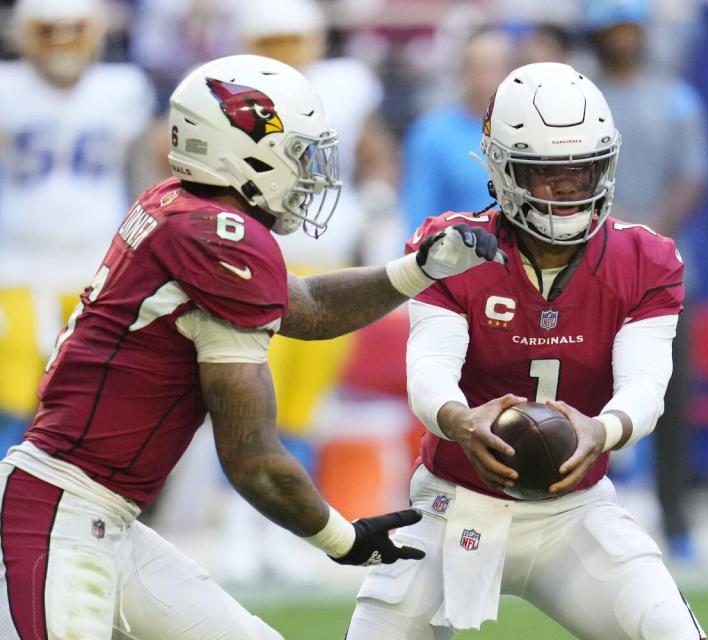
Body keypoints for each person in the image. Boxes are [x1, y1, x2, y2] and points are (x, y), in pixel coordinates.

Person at [0, 54, 505, 638]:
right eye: (298, 155)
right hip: (59, 517)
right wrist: (347, 539)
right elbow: (253, 459)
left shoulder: (181, 206)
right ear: (241, 149)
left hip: (99, 515)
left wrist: (416, 271)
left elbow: (307, 307)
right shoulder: (216, 238)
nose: (310, 174)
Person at [347, 62, 707, 640]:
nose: (570, 188)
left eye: (584, 168)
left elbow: (645, 387)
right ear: (504, 169)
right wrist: (461, 421)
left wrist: (603, 430)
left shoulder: (646, 259)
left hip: (576, 512)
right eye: (547, 173)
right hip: (450, 505)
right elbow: (428, 373)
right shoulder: (455, 249)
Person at [216, 0, 404, 583]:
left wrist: (377, 207)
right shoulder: (229, 94)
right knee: (245, 408)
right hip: (254, 265)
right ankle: (237, 530)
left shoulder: (344, 86)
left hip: (322, 266)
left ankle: (285, 533)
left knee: (300, 411)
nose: (287, 52)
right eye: (274, 39)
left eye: (295, 39)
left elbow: (375, 153)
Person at [586, 0, 708, 562]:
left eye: (628, 25)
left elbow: (692, 178)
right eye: (611, 27)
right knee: (583, 394)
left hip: (659, 270)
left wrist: (644, 236)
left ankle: (678, 522)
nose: (621, 37)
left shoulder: (675, 98)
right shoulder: (584, 99)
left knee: (669, 399)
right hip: (587, 265)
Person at [0, 0, 156, 457]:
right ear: (26, 33)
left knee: (93, 397)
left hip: (98, 264)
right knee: (12, 393)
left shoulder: (123, 88)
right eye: (50, 29)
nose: (64, 41)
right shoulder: (7, 87)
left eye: (74, 28)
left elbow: (144, 177)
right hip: (16, 264)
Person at [401, 26, 515, 236]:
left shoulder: (530, 133)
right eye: (481, 67)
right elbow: (418, 216)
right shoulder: (431, 135)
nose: (490, 77)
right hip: (462, 260)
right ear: (463, 71)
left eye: (498, 67)